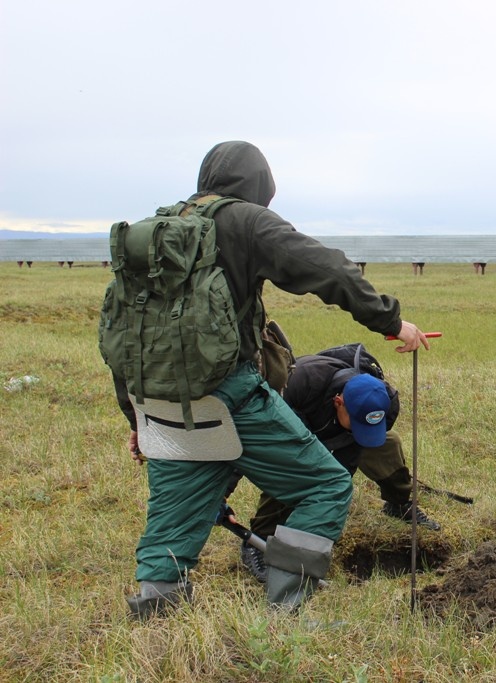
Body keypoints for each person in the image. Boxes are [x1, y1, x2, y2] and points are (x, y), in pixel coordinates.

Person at [112, 140, 430, 618]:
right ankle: (285, 613)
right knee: (326, 485)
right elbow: (325, 267)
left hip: (158, 400)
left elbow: (126, 334)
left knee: (174, 512)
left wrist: (136, 418)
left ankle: (157, 612)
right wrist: (389, 320)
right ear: (261, 187)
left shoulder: (154, 233)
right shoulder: (245, 220)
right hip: (230, 391)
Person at [238, 348, 440, 583]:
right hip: (299, 427)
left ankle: (398, 503)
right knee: (297, 473)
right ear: (339, 402)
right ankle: (258, 539)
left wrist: (335, 497)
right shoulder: (301, 385)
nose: (359, 430)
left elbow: (349, 457)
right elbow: (253, 439)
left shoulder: (386, 402)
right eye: (355, 423)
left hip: (337, 430)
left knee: (387, 443)